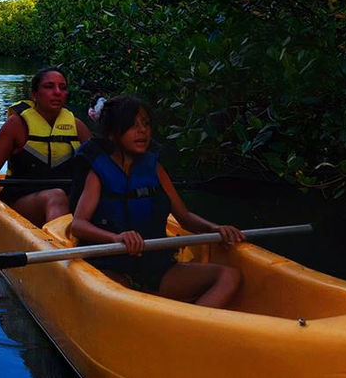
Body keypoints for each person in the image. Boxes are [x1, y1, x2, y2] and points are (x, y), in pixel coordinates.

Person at [70, 95, 244, 308]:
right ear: (113, 134)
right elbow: (78, 225)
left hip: (155, 268)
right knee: (124, 298)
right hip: (110, 268)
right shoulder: (97, 173)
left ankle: (189, 329)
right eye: (133, 126)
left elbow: (185, 217)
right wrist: (116, 238)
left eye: (146, 124)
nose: (142, 131)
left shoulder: (154, 169)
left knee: (229, 276)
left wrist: (215, 228)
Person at [0, 67, 91, 227]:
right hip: (22, 200)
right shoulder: (16, 125)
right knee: (56, 196)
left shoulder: (77, 127)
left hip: (68, 199)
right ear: (34, 94)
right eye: (49, 86)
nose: (57, 92)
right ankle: (60, 247)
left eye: (62, 87)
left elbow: (100, 170)